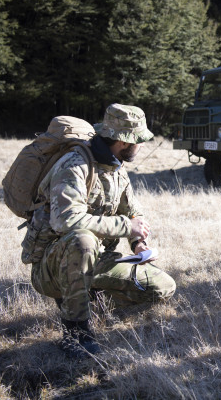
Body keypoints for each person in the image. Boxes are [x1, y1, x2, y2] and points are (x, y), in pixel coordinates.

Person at [26, 104, 176, 358]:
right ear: (123, 141)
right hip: (53, 265)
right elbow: (65, 220)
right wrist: (126, 226)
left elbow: (132, 212)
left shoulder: (116, 167)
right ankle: (76, 333)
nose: (141, 146)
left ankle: (85, 298)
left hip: (95, 261)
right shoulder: (74, 165)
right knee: (82, 240)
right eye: (138, 140)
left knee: (163, 287)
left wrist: (137, 243)